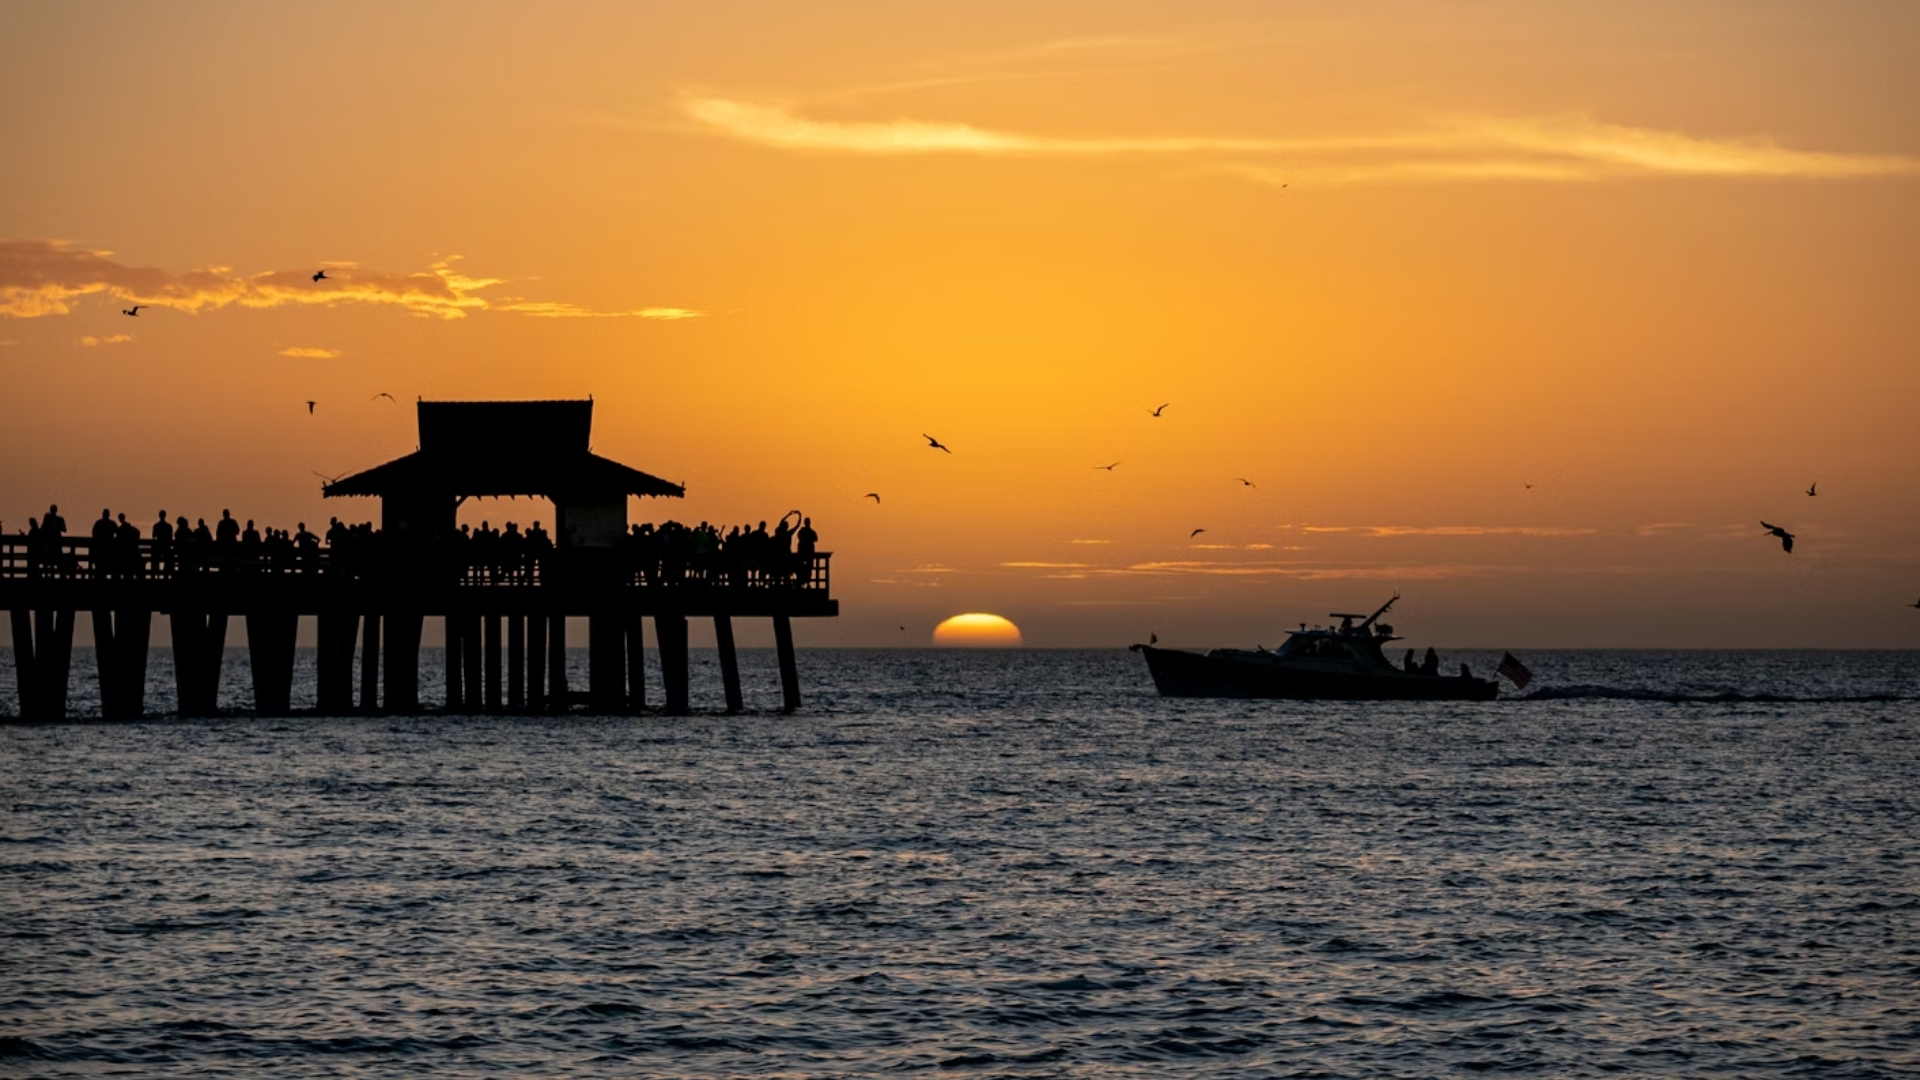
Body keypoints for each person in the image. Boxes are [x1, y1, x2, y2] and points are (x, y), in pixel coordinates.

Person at [151, 511, 174, 577]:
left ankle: (154, 574)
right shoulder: (169, 526)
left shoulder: (156, 526)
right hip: (166, 548)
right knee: (168, 559)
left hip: (158, 548)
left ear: (159, 516)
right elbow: (170, 538)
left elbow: (153, 536)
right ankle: (166, 574)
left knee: (155, 558)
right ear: (165, 516)